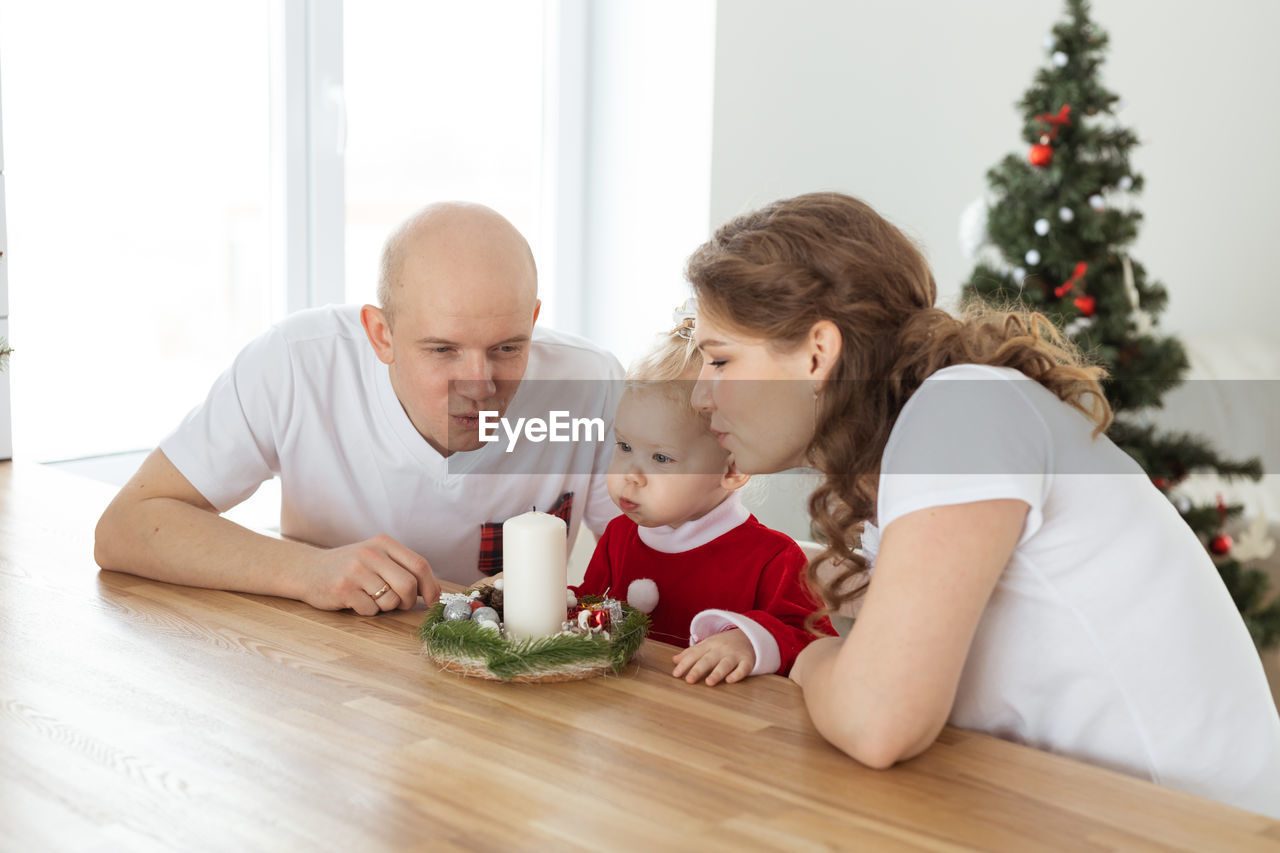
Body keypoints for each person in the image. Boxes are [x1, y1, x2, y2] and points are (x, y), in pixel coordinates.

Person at [685, 191, 1280, 817]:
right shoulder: (915, 453)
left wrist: (808, 657)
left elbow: (878, 722)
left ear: (817, 352)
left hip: (1208, 829)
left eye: (721, 359)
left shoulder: (963, 410)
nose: (700, 394)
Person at [95, 202, 622, 616]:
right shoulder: (297, 364)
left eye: (508, 347)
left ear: (532, 322)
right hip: (331, 684)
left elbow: (656, 551)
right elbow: (126, 527)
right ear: (380, 334)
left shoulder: (591, 384)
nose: (480, 385)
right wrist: (309, 571)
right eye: (442, 350)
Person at [573, 314, 833, 685]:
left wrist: (750, 642)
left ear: (732, 469)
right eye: (625, 446)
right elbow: (588, 606)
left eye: (661, 458)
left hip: (720, 733)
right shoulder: (618, 536)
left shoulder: (773, 559)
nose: (630, 473)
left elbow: (819, 646)